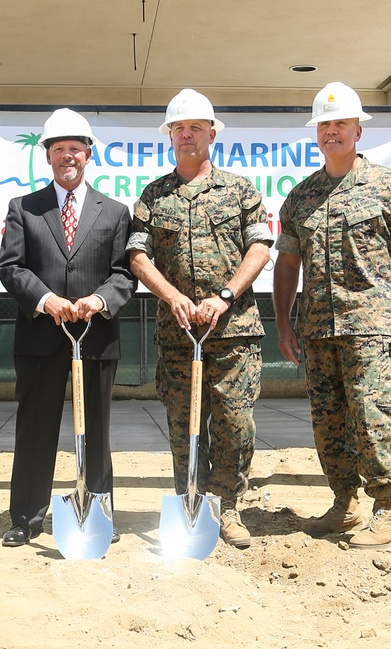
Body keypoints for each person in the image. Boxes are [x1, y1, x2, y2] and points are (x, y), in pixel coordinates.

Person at [272, 82, 391, 549]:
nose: (332, 132)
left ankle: (388, 507)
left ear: (358, 129)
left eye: (340, 123)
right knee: (328, 420)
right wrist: (283, 322)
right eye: (324, 124)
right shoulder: (301, 196)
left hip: (372, 328)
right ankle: (345, 504)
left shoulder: (389, 185)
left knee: (373, 416)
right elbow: (287, 264)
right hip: (318, 330)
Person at [127, 89, 273, 549]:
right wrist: (171, 296)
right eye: (178, 129)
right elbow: (137, 255)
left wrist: (225, 296)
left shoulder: (239, 189)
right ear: (169, 137)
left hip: (232, 333)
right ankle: (189, 501)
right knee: (182, 423)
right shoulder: (154, 195)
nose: (186, 135)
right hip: (178, 334)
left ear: (212, 133)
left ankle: (226, 508)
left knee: (234, 423)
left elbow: (260, 247)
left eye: (195, 128)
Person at [0, 108, 136, 548]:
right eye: (59, 149)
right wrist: (45, 300)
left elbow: (124, 274)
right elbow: (11, 267)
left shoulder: (115, 213)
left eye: (75, 148)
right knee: (35, 428)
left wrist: (99, 301)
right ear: (48, 156)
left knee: (95, 429)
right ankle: (26, 517)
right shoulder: (24, 208)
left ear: (89, 154)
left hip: (95, 338)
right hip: (40, 337)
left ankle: (96, 511)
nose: (67, 156)